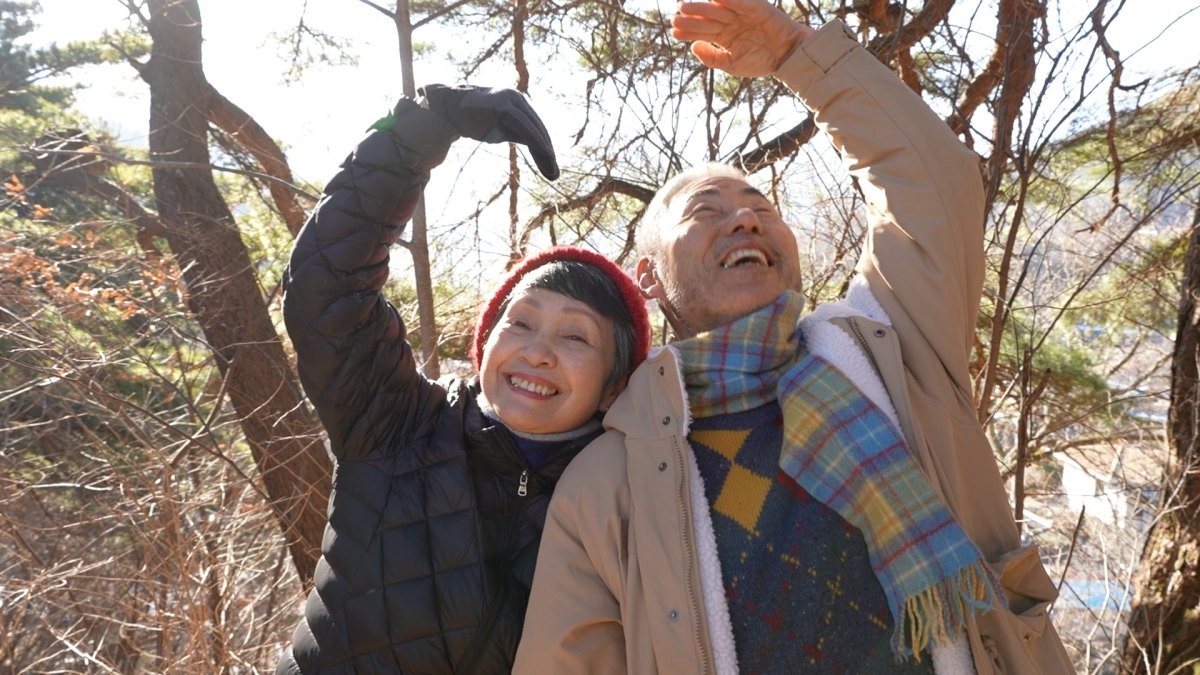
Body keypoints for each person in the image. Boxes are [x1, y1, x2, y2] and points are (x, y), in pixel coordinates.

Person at [513, 1, 1075, 674]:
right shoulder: (607, 482)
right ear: (649, 278)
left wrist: (800, 58)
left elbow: (936, 185)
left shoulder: (890, 346)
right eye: (708, 212)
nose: (746, 222)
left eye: (762, 209)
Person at [276, 84, 652, 674]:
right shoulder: (395, 422)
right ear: (485, 347)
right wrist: (415, 134)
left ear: (613, 384)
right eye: (520, 323)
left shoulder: (633, 492)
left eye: (576, 336)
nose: (538, 352)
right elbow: (326, 290)